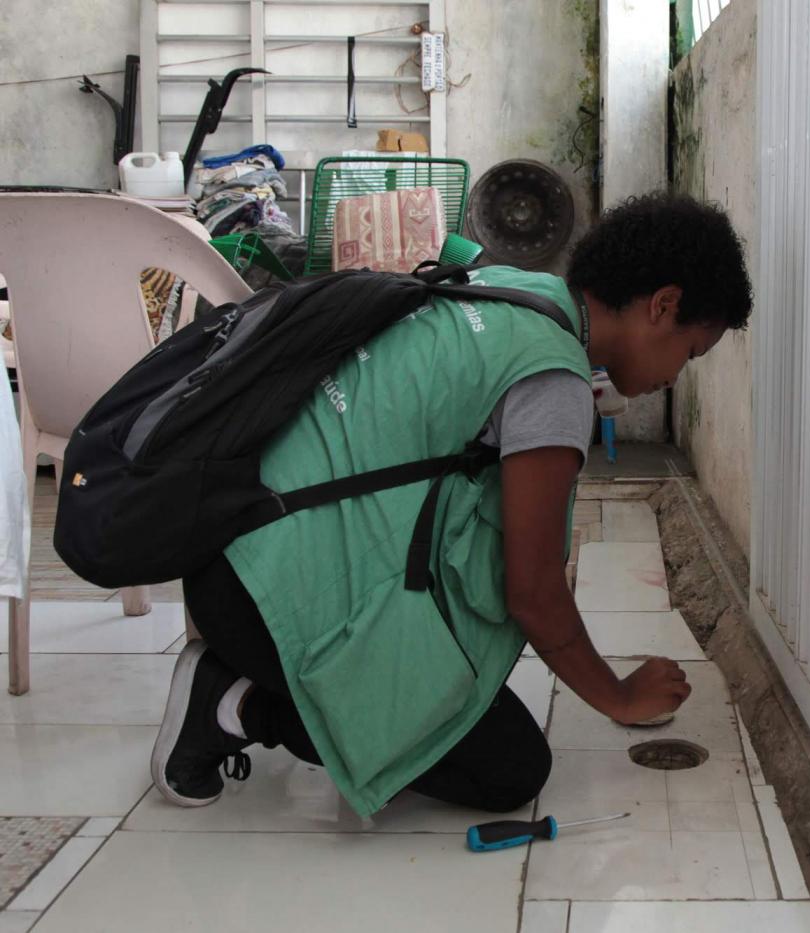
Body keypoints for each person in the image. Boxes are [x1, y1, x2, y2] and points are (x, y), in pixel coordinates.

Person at [151, 192, 754, 816]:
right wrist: (618, 697)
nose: (675, 377)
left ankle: (257, 674)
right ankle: (232, 703)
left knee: (463, 693)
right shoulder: (553, 379)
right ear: (664, 305)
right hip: (263, 601)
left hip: (230, 549)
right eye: (689, 354)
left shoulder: (512, 289)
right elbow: (534, 592)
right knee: (509, 770)